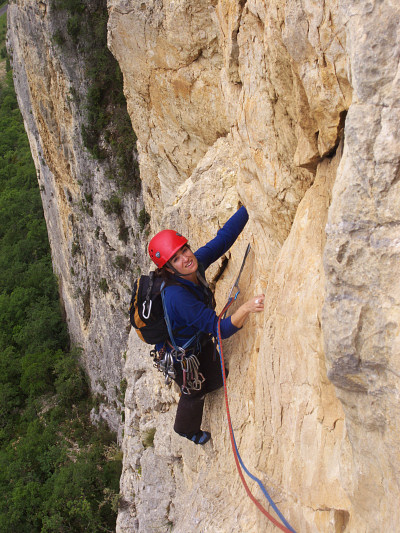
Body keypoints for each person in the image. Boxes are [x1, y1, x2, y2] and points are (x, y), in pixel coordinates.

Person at [148, 206, 265, 445]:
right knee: (194, 391)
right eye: (176, 258)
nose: (185, 258)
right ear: (168, 268)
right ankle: (187, 430)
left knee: (218, 379)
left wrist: (249, 207)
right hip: (183, 354)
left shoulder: (196, 264)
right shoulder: (177, 296)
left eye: (184, 250)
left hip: (197, 338)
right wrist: (246, 309)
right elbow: (219, 329)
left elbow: (223, 240)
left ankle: (205, 382)